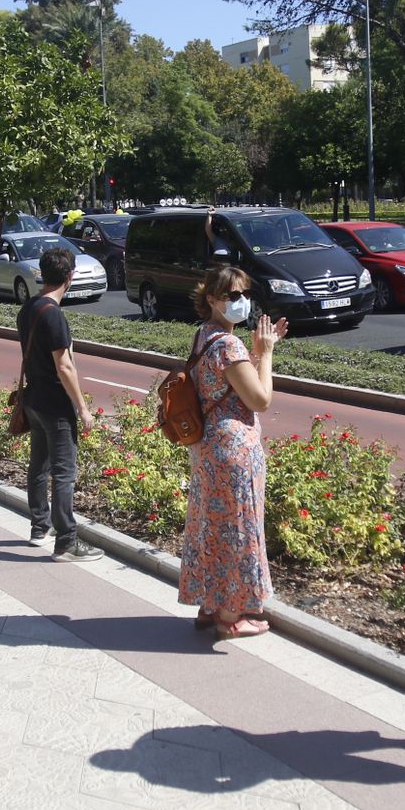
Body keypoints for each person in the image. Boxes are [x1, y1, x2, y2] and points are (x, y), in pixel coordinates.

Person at [178, 265, 287, 640]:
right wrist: (266, 353)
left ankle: (210, 606)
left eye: (244, 294)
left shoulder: (204, 336)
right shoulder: (228, 344)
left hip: (209, 448)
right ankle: (231, 616)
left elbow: (233, 386)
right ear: (211, 299)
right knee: (239, 530)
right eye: (232, 296)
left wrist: (254, 355)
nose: (241, 302)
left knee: (211, 528)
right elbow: (260, 398)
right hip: (234, 451)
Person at [17, 246, 100, 561]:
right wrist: (83, 407)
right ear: (70, 276)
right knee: (64, 472)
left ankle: (40, 527)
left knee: (38, 465)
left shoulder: (29, 308)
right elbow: (64, 366)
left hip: (33, 399)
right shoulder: (54, 315)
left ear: (41, 273)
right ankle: (66, 541)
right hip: (54, 404)